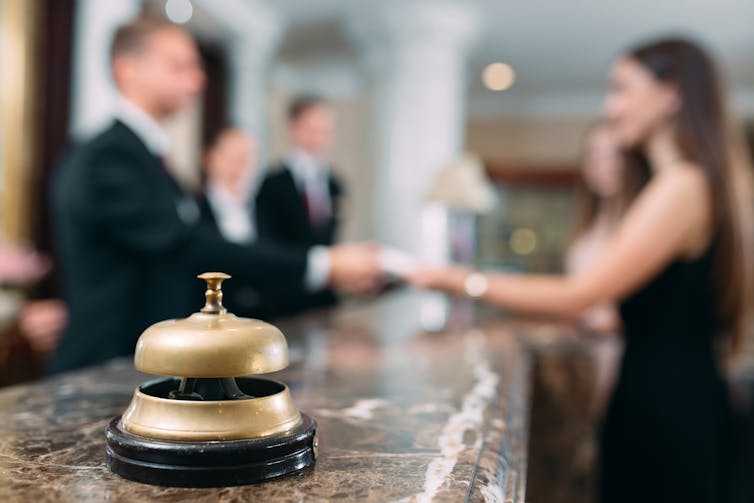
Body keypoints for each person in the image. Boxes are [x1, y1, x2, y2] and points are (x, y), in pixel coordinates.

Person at [408, 38, 752, 503]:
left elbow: (581, 293)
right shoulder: (679, 184)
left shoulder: (683, 185)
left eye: (623, 89)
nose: (611, 107)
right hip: (664, 393)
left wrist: (458, 279)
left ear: (671, 93)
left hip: (669, 406)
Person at [51, 18, 379, 374]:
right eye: (179, 66)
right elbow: (185, 246)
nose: (198, 80)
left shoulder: (144, 158)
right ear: (127, 70)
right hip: (103, 367)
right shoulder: (108, 158)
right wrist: (322, 265)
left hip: (140, 364)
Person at [255, 95, 344, 310]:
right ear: (293, 128)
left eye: (325, 130)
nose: (318, 137)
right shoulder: (272, 183)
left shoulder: (335, 185)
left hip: (325, 297)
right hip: (285, 294)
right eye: (312, 128)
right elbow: (267, 243)